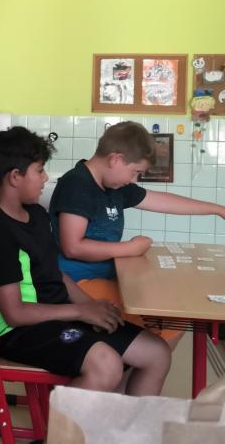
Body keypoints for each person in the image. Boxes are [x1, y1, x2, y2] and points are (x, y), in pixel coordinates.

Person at [0, 127, 171, 444]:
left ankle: (122, 442)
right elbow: (15, 313)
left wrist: (91, 305)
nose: (45, 178)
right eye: (39, 170)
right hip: (18, 332)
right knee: (106, 364)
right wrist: (80, 312)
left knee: (156, 353)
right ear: (14, 177)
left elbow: (56, 274)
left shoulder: (35, 214)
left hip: (54, 312)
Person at [50, 120, 225, 343]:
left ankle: (138, 361)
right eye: (135, 172)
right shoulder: (77, 185)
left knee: (176, 317)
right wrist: (129, 248)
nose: (133, 180)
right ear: (115, 159)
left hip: (109, 275)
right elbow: (73, 247)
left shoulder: (114, 185)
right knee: (157, 332)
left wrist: (218, 209)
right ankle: (133, 360)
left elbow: (163, 201)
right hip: (77, 284)